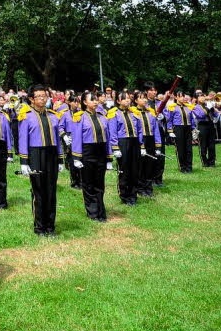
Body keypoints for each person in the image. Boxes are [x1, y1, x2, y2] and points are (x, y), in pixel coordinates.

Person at [17, 84, 61, 236]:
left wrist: (60, 159)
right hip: (35, 154)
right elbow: (23, 139)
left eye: (44, 96)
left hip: (51, 154)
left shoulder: (53, 116)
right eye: (39, 96)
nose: (42, 99)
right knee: (38, 191)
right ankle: (39, 227)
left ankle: (50, 226)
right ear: (31, 99)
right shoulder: (26, 116)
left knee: (51, 190)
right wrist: (24, 161)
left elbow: (58, 140)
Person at [71, 94, 113, 222]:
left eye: (96, 99)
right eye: (92, 100)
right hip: (87, 151)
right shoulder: (80, 117)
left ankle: (101, 210)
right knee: (89, 183)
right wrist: (77, 157)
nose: (95, 102)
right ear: (84, 102)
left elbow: (108, 137)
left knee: (99, 182)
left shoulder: (102, 117)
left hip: (101, 151)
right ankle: (92, 212)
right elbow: (77, 137)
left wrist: (109, 157)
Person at [107, 91, 140, 205]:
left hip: (134, 142)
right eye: (124, 98)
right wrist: (115, 148)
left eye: (128, 98)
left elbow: (139, 130)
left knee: (134, 169)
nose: (127, 100)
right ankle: (124, 195)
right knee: (124, 169)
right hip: (123, 142)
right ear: (118, 101)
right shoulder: (114, 114)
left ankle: (133, 194)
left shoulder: (133, 113)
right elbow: (113, 132)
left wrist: (141, 144)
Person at [133, 94, 162, 197]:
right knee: (141, 165)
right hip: (140, 140)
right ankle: (140, 187)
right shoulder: (134, 113)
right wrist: (140, 145)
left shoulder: (150, 113)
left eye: (145, 98)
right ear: (136, 100)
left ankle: (149, 187)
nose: (145, 100)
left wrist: (158, 145)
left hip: (150, 139)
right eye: (141, 98)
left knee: (150, 165)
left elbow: (156, 130)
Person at [165, 95, 195, 173]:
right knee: (180, 148)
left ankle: (189, 167)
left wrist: (193, 128)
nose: (183, 98)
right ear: (176, 98)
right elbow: (169, 120)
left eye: (184, 97)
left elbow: (191, 119)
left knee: (188, 148)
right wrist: (170, 131)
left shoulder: (188, 107)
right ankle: (182, 167)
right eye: (181, 96)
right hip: (178, 128)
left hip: (188, 128)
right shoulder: (172, 107)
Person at [192, 96, 221, 167]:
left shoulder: (209, 106)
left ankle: (212, 162)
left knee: (211, 145)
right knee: (203, 144)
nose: (204, 99)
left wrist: (213, 109)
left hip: (210, 124)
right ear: (197, 99)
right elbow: (200, 115)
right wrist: (208, 108)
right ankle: (205, 162)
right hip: (202, 125)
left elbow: (216, 115)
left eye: (205, 98)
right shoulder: (196, 107)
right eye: (202, 98)